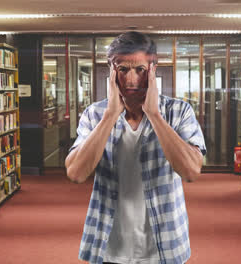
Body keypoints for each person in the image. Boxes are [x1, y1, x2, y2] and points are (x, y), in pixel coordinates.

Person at [65, 31, 206, 264]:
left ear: (152, 70)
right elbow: (76, 174)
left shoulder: (179, 111)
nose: (131, 80)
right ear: (112, 69)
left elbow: (191, 172)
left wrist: (154, 115)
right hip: (109, 245)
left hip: (164, 245)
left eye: (140, 70)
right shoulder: (95, 114)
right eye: (123, 69)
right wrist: (110, 115)